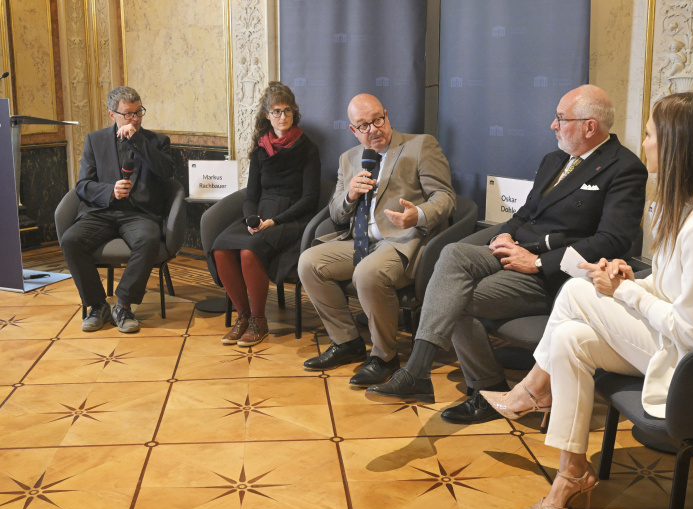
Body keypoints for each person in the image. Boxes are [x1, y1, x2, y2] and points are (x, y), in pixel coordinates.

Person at [481, 92, 693, 509]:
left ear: (676, 145)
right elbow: (672, 288)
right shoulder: (682, 211)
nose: (645, 143)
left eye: (650, 135)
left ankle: (534, 389)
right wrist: (633, 280)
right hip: (683, 347)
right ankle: (571, 470)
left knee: (577, 292)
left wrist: (623, 294)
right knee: (570, 337)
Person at [367, 85, 648, 416]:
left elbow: (613, 240)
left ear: (590, 126)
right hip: (516, 251)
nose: (553, 126)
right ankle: (418, 369)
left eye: (561, 118)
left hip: (556, 275)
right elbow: (525, 214)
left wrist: (539, 260)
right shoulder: (554, 160)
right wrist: (505, 236)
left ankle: (487, 386)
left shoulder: (624, 168)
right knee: (454, 254)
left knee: (456, 301)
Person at [298, 93, 455, 386]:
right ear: (353, 130)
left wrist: (418, 214)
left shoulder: (420, 145)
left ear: (386, 114)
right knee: (308, 262)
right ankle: (346, 342)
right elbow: (336, 213)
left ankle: (384, 356)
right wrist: (350, 195)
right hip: (358, 240)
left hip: (401, 240)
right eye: (364, 126)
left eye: (378, 120)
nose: (374, 130)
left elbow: (445, 197)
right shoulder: (349, 158)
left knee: (367, 272)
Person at [209, 82, 320, 346]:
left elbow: (310, 199)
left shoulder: (308, 148)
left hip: (292, 217)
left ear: (294, 113)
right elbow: (251, 195)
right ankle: (243, 316)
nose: (283, 117)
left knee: (249, 251)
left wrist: (274, 220)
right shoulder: (261, 150)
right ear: (267, 115)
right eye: (277, 111)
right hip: (261, 214)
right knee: (220, 249)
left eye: (288, 111)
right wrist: (251, 218)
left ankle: (260, 321)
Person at [61, 86, 173, 333]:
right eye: (128, 114)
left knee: (149, 239)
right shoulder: (95, 140)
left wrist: (137, 139)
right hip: (102, 211)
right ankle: (97, 305)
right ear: (112, 114)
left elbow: (167, 172)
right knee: (71, 240)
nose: (134, 119)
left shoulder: (157, 141)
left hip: (139, 213)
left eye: (138, 113)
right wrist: (110, 191)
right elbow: (83, 185)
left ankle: (123, 305)